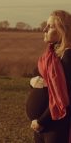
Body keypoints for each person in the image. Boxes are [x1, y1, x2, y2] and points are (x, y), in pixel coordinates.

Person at [26, 10, 71, 143]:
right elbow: (37, 78)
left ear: (63, 31)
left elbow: (66, 98)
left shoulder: (68, 56)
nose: (44, 29)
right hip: (42, 127)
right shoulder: (51, 55)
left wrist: (42, 120)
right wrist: (34, 82)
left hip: (55, 125)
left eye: (50, 26)